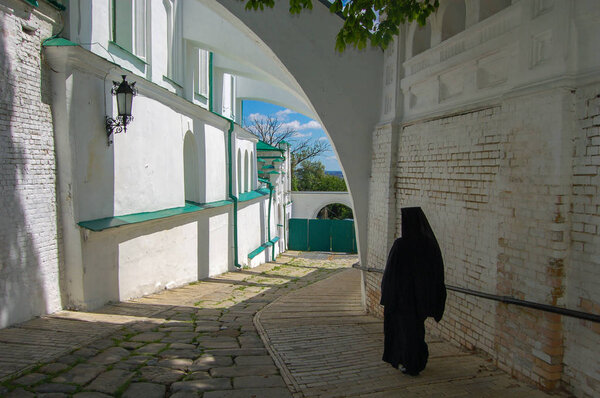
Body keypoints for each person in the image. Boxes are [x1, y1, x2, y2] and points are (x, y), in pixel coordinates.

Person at [380, 207, 446, 375]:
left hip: (403, 299)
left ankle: (408, 362)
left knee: (403, 332)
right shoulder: (429, 245)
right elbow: (435, 271)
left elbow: (391, 273)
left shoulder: (401, 245)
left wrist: (388, 296)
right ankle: (417, 360)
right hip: (420, 300)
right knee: (416, 330)